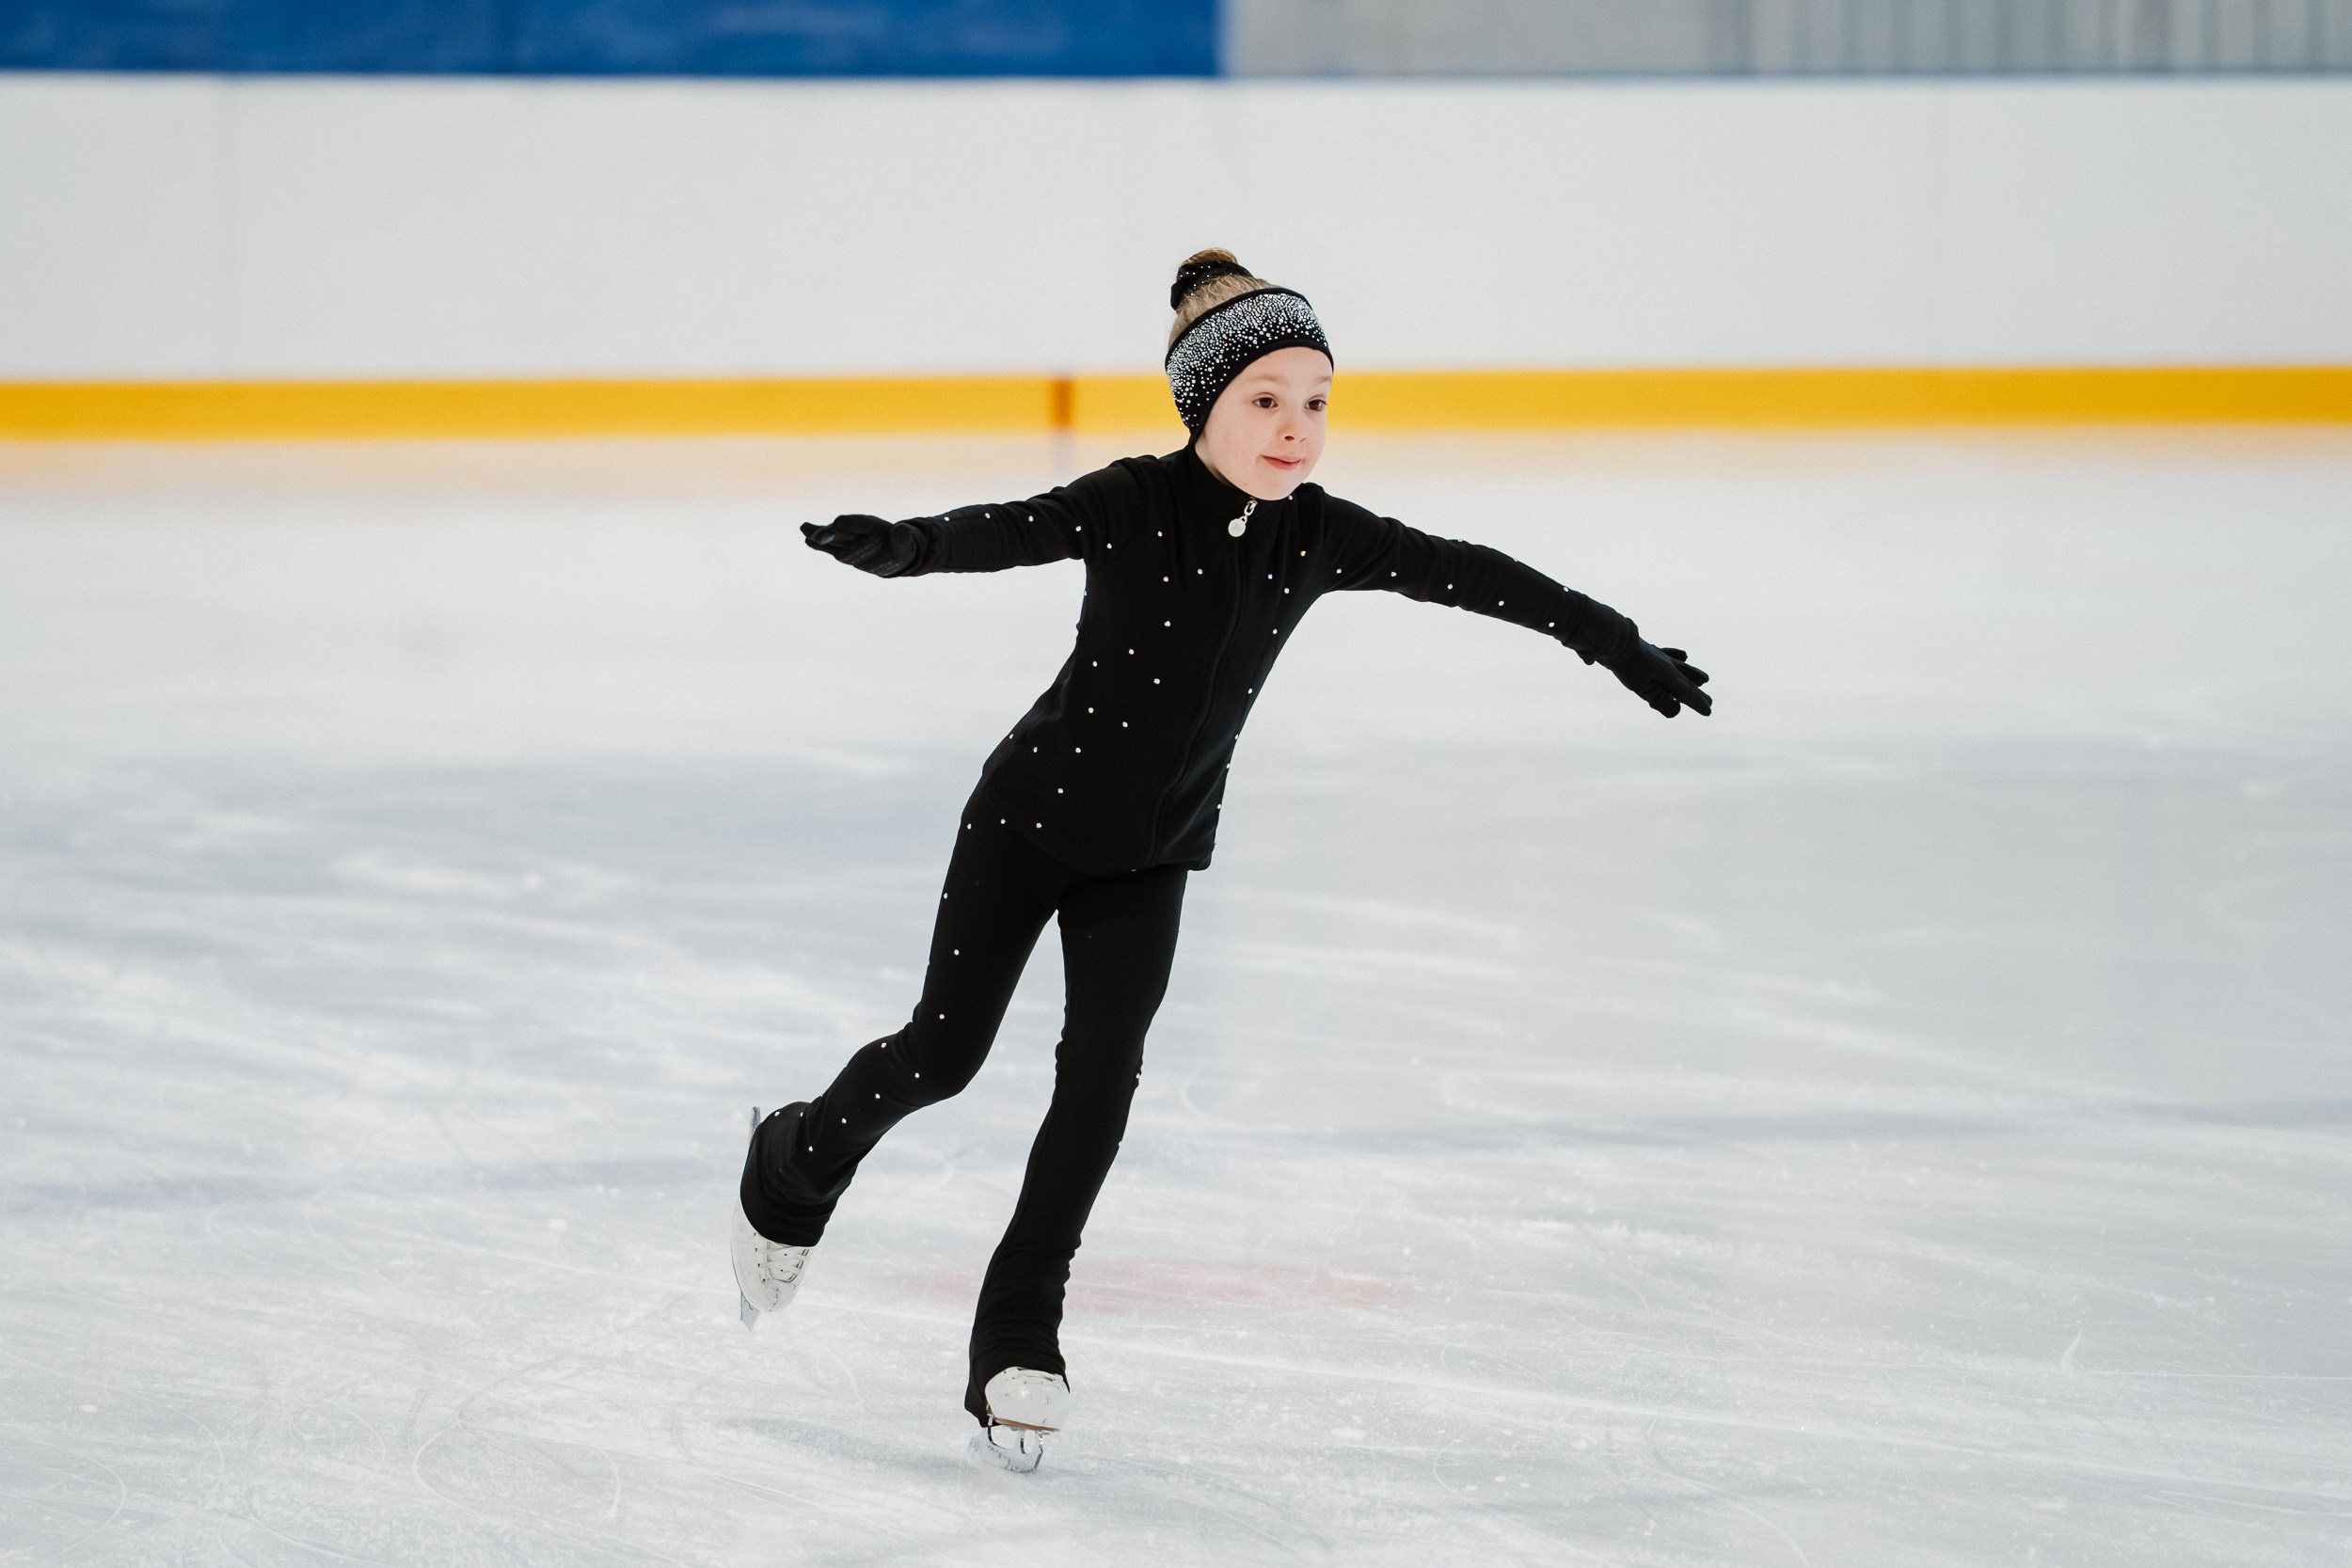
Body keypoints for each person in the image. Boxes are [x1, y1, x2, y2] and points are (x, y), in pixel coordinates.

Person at [733, 248, 1712, 1471]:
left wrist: (1609, 641)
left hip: (1150, 858)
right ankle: (795, 1161)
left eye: (1317, 400)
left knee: (1100, 1087)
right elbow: (1009, 529)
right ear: (1203, 406)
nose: (1297, 429)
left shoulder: (1319, 539)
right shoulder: (1132, 501)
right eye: (1265, 400)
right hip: (1027, 821)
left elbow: (1475, 576)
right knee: (945, 1055)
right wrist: (908, 548)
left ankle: (1017, 1339)